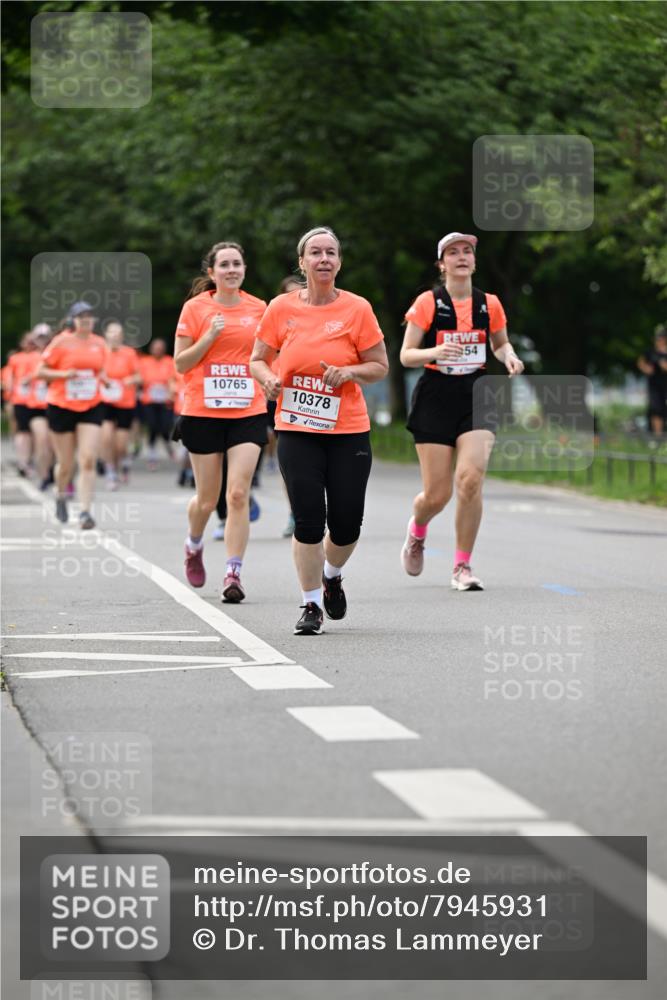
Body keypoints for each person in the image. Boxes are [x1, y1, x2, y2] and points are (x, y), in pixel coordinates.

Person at [250, 226, 389, 635]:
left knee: (346, 523)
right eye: (316, 252)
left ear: (339, 262)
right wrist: (267, 379)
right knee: (309, 519)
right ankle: (310, 605)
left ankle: (332, 574)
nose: (324, 258)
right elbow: (258, 358)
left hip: (348, 428)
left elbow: (380, 365)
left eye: (331, 252)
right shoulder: (280, 308)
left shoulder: (357, 309)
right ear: (302, 262)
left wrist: (349, 371)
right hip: (295, 426)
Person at [399, 232, 524, 591]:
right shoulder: (428, 302)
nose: (461, 257)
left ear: (474, 260)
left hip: (477, 393)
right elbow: (407, 355)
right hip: (435, 395)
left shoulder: (490, 303)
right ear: (442, 264)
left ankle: (462, 566)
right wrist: (434, 353)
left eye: (467, 251)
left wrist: (510, 357)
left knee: (470, 480)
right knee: (436, 495)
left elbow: (500, 345)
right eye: (453, 253)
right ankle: (417, 529)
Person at [173, 241, 268, 602]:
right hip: (202, 411)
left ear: (244, 270)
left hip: (247, 410)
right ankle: (194, 543)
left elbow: (271, 353)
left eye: (237, 264)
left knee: (239, 493)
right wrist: (210, 336)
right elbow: (181, 364)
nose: (231, 270)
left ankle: (233, 572)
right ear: (211, 273)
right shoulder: (195, 309)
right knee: (208, 499)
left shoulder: (259, 308)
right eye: (224, 265)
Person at [37, 301, 107, 528]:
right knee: (66, 463)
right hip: (62, 405)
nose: (85, 320)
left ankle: (85, 512)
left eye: (89, 316)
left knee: (87, 459)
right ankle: (59, 494)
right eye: (80, 316)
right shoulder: (61, 341)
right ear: (72, 320)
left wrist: (104, 379)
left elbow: (101, 369)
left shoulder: (99, 343)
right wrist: (63, 374)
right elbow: (40, 372)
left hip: (91, 404)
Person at [100, 321, 141, 489]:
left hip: (125, 402)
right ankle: (110, 470)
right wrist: (104, 380)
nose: (115, 336)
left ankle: (120, 463)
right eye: (112, 333)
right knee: (106, 438)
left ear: (122, 337)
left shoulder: (129, 353)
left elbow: (139, 377)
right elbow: (94, 372)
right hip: (105, 401)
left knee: (121, 444)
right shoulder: (100, 353)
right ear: (106, 335)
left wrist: (129, 380)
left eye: (118, 333)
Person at [24, 325, 54, 490]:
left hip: (55, 405)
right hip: (36, 405)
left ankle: (53, 470)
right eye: (39, 338)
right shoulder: (29, 358)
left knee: (53, 443)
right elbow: (22, 380)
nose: (42, 341)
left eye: (45, 337)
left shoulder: (56, 354)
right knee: (42, 439)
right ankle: (44, 475)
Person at [138, 338, 176, 466]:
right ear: (151, 349)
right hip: (149, 400)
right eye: (155, 348)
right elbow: (139, 378)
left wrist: (171, 391)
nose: (158, 350)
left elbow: (173, 379)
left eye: (160, 348)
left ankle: (167, 444)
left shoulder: (169, 361)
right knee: (153, 426)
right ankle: (152, 452)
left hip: (165, 400)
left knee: (165, 425)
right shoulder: (144, 362)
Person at [6, 332, 38, 477]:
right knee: (23, 431)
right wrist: (10, 399)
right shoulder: (15, 358)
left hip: (37, 401)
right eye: (27, 341)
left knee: (35, 433)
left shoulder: (40, 356)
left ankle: (29, 460)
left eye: (32, 341)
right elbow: (10, 379)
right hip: (20, 400)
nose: (30, 344)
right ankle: (23, 461)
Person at [637, 327, 667, 436]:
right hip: (654, 387)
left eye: (661, 338)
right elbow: (640, 362)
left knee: (663, 410)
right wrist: (646, 369)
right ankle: (658, 436)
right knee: (656, 410)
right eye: (657, 338)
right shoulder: (651, 352)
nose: (658, 341)